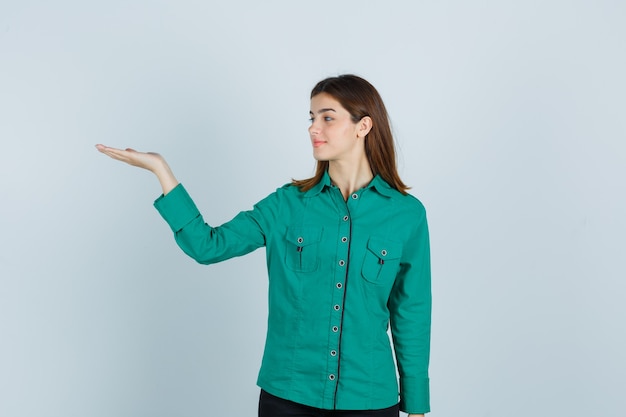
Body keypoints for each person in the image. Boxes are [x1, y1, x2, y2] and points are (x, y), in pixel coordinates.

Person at [96, 74, 431, 417]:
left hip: (369, 399)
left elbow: (412, 312)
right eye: (312, 118)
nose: (314, 128)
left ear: (363, 126)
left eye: (327, 117)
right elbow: (208, 245)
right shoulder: (286, 205)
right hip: (288, 396)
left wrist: (416, 406)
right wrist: (161, 170)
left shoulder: (406, 215)